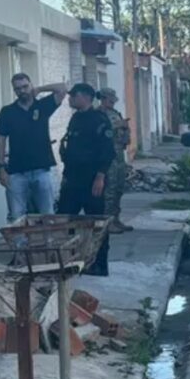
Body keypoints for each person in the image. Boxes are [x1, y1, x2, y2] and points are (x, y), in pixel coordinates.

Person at [0, 73, 69, 222]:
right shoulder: (8, 111)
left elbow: (63, 89)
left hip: (41, 169)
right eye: (18, 88)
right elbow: (0, 139)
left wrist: (40, 89)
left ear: (31, 85)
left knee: (47, 214)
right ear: (14, 91)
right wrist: (1, 168)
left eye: (25, 86)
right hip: (16, 172)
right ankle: (20, 245)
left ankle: (48, 244)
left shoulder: (42, 106)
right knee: (17, 216)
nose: (22, 91)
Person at [58, 84, 116, 276]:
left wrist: (100, 177)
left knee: (96, 224)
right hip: (72, 179)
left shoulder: (99, 120)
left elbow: (108, 152)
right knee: (65, 221)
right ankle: (69, 261)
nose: (69, 100)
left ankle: (99, 265)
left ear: (84, 97)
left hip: (92, 181)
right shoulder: (76, 118)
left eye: (72, 96)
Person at [99, 88, 133, 234]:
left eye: (113, 100)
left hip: (119, 153)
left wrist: (126, 130)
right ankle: (108, 222)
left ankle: (116, 218)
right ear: (103, 98)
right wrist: (116, 126)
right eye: (109, 99)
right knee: (110, 189)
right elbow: (100, 131)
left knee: (119, 188)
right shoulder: (98, 114)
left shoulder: (115, 113)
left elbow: (123, 131)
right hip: (108, 155)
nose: (112, 102)